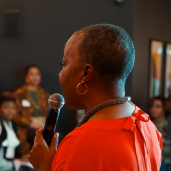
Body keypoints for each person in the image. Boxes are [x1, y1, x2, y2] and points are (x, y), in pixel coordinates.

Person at [28, 24, 162, 171]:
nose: (60, 73)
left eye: (64, 64)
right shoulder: (148, 126)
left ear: (86, 74)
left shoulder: (79, 144)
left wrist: (44, 168)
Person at [14, 65, 50, 154]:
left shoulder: (45, 94)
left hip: (44, 125)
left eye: (37, 74)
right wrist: (31, 124)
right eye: (32, 74)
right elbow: (15, 115)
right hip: (28, 127)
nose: (35, 77)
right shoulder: (19, 94)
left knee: (59, 136)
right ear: (26, 77)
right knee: (40, 136)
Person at [0, 92, 22, 167]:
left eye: (13, 108)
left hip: (13, 162)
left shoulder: (13, 124)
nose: (10, 111)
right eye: (6, 107)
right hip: (0, 164)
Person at [148, 96, 170, 170]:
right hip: (150, 160)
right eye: (152, 106)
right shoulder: (147, 125)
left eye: (158, 106)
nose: (153, 109)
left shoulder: (169, 124)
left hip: (166, 161)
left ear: (164, 108)